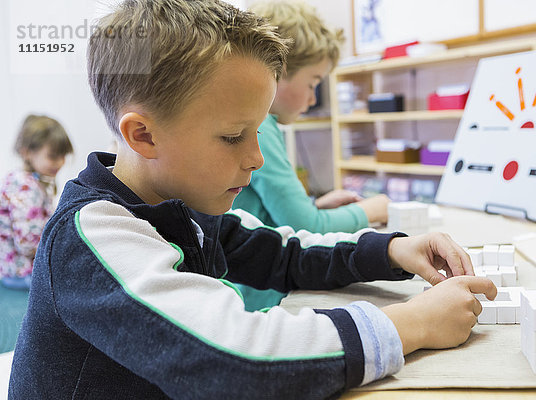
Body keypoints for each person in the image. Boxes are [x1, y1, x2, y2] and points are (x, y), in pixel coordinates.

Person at [9, 1, 496, 398]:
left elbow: (283, 253)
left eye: (258, 131)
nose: (257, 158)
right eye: (234, 136)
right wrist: (409, 323)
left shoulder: (181, 204)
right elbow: (235, 360)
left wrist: (389, 251)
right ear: (144, 136)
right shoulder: (94, 234)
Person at [232, 0, 390, 311]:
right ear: (280, 70)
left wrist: (314, 203)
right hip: (264, 297)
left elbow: (263, 213)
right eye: (313, 83)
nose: (313, 98)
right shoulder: (261, 124)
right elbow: (305, 225)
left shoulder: (265, 123)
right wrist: (371, 209)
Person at [0, 114, 73, 290]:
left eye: (63, 156)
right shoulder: (26, 187)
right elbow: (27, 243)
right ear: (27, 152)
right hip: (20, 272)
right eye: (54, 156)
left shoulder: (26, 180)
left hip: (12, 270)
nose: (61, 162)